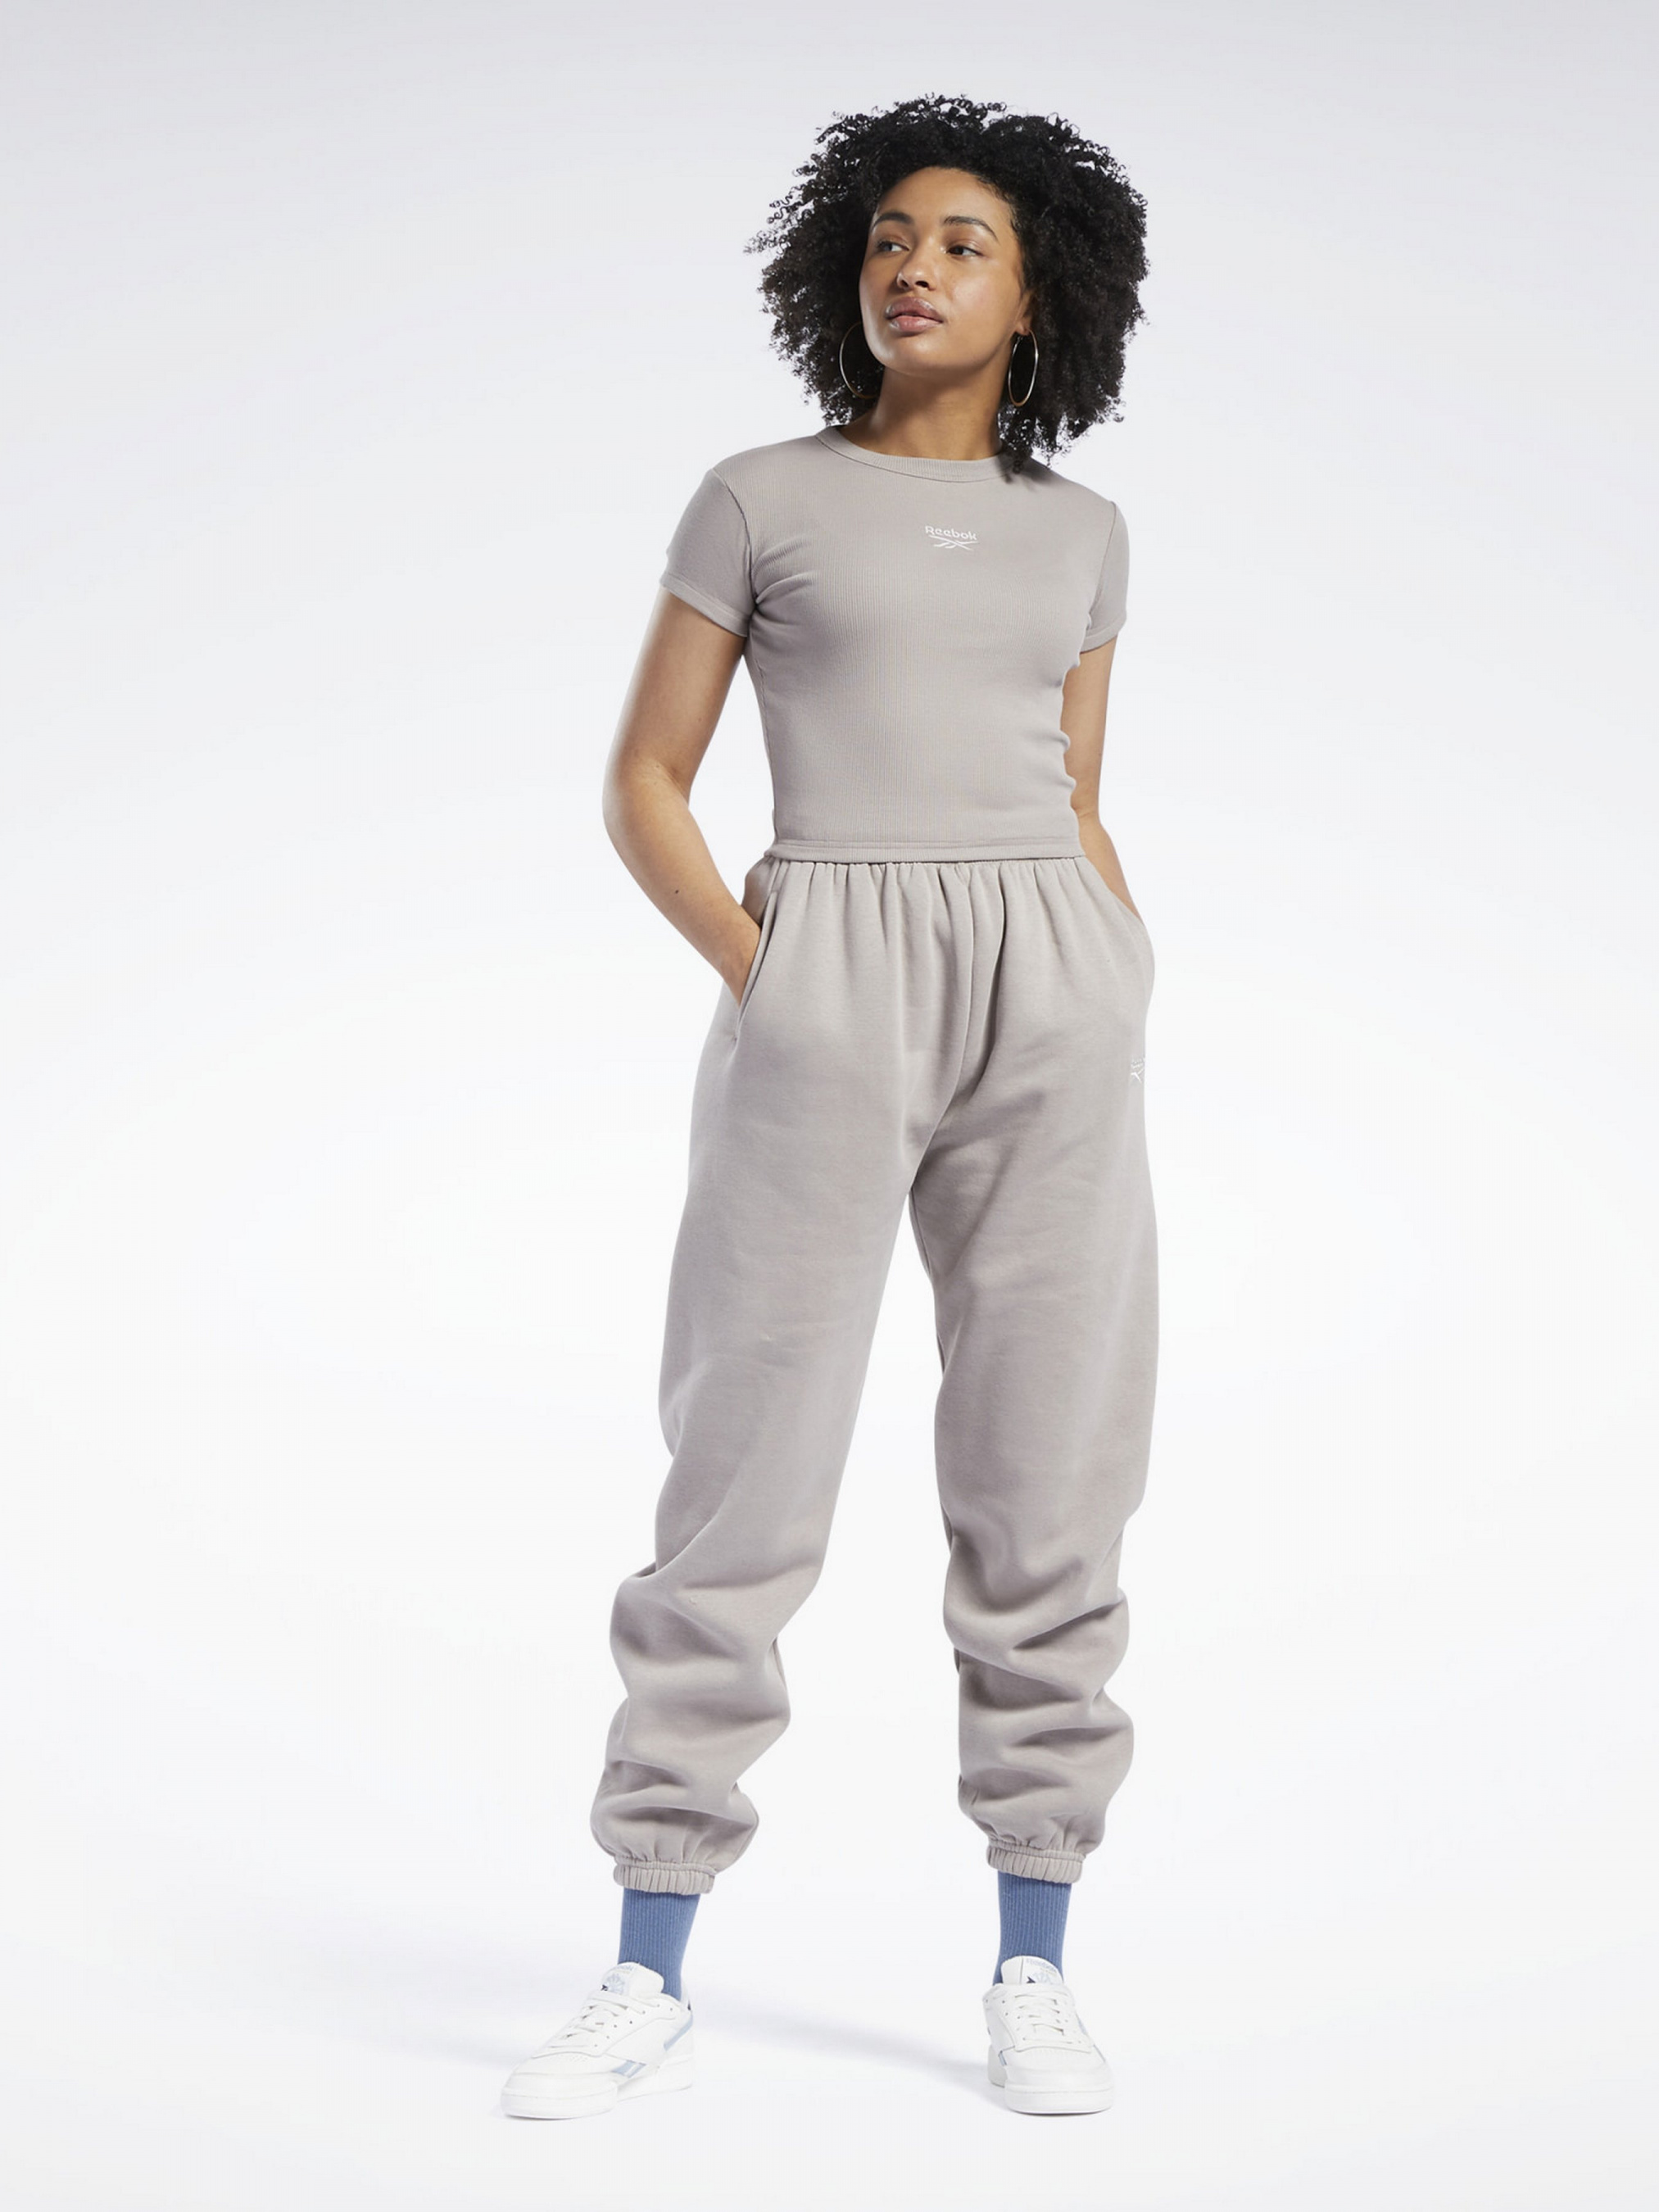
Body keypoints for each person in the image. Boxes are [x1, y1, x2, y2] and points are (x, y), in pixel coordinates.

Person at [501, 92, 1155, 2123]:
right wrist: (762, 969)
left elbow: (1075, 790)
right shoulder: (757, 497)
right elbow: (644, 780)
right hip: (824, 975)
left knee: (1050, 1470)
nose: (912, 268)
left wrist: (1117, 968)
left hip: (1052, 985)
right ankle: (645, 1961)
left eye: (961, 244)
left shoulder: (1082, 534)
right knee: (744, 1467)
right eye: (886, 237)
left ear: (1038, 295)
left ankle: (1034, 1956)